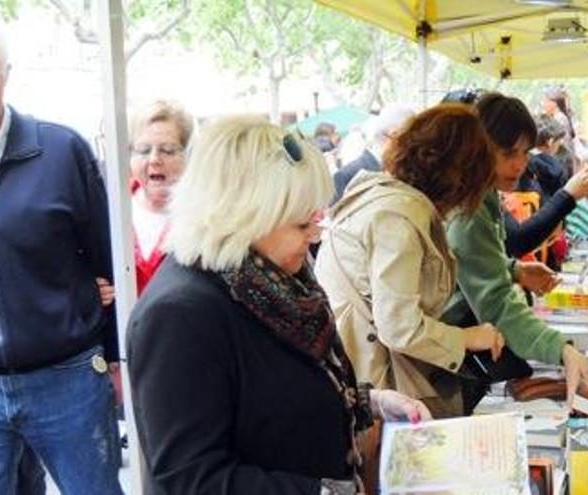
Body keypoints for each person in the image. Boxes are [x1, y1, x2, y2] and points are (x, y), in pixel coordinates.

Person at [128, 115, 429, 493]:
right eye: (302, 225)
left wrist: (370, 401)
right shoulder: (179, 316)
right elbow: (191, 478)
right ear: (244, 218)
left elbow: (279, 395)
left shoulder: (270, 276)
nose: (314, 235)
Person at [316, 104, 505, 418]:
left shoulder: (383, 197)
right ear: (462, 178)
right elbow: (399, 326)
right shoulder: (399, 217)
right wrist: (467, 338)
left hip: (355, 371)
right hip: (374, 380)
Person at [0, 33, 122, 494]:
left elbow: (106, 257)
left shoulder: (62, 150)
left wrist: (115, 357)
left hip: (68, 379)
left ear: (5, 77)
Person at [442, 92, 588, 413]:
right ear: (477, 148)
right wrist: (562, 349)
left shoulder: (479, 194)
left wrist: (513, 269)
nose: (520, 164)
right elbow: (496, 304)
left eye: (525, 152)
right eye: (508, 152)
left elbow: (471, 263)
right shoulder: (470, 210)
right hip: (443, 366)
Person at [128, 100, 194, 294]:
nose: (154, 159)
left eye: (167, 150)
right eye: (144, 150)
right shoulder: (108, 212)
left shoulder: (206, 218)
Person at [331, 103, 414, 203]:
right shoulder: (345, 176)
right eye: (411, 139)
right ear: (394, 135)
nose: (414, 146)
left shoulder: (405, 171)